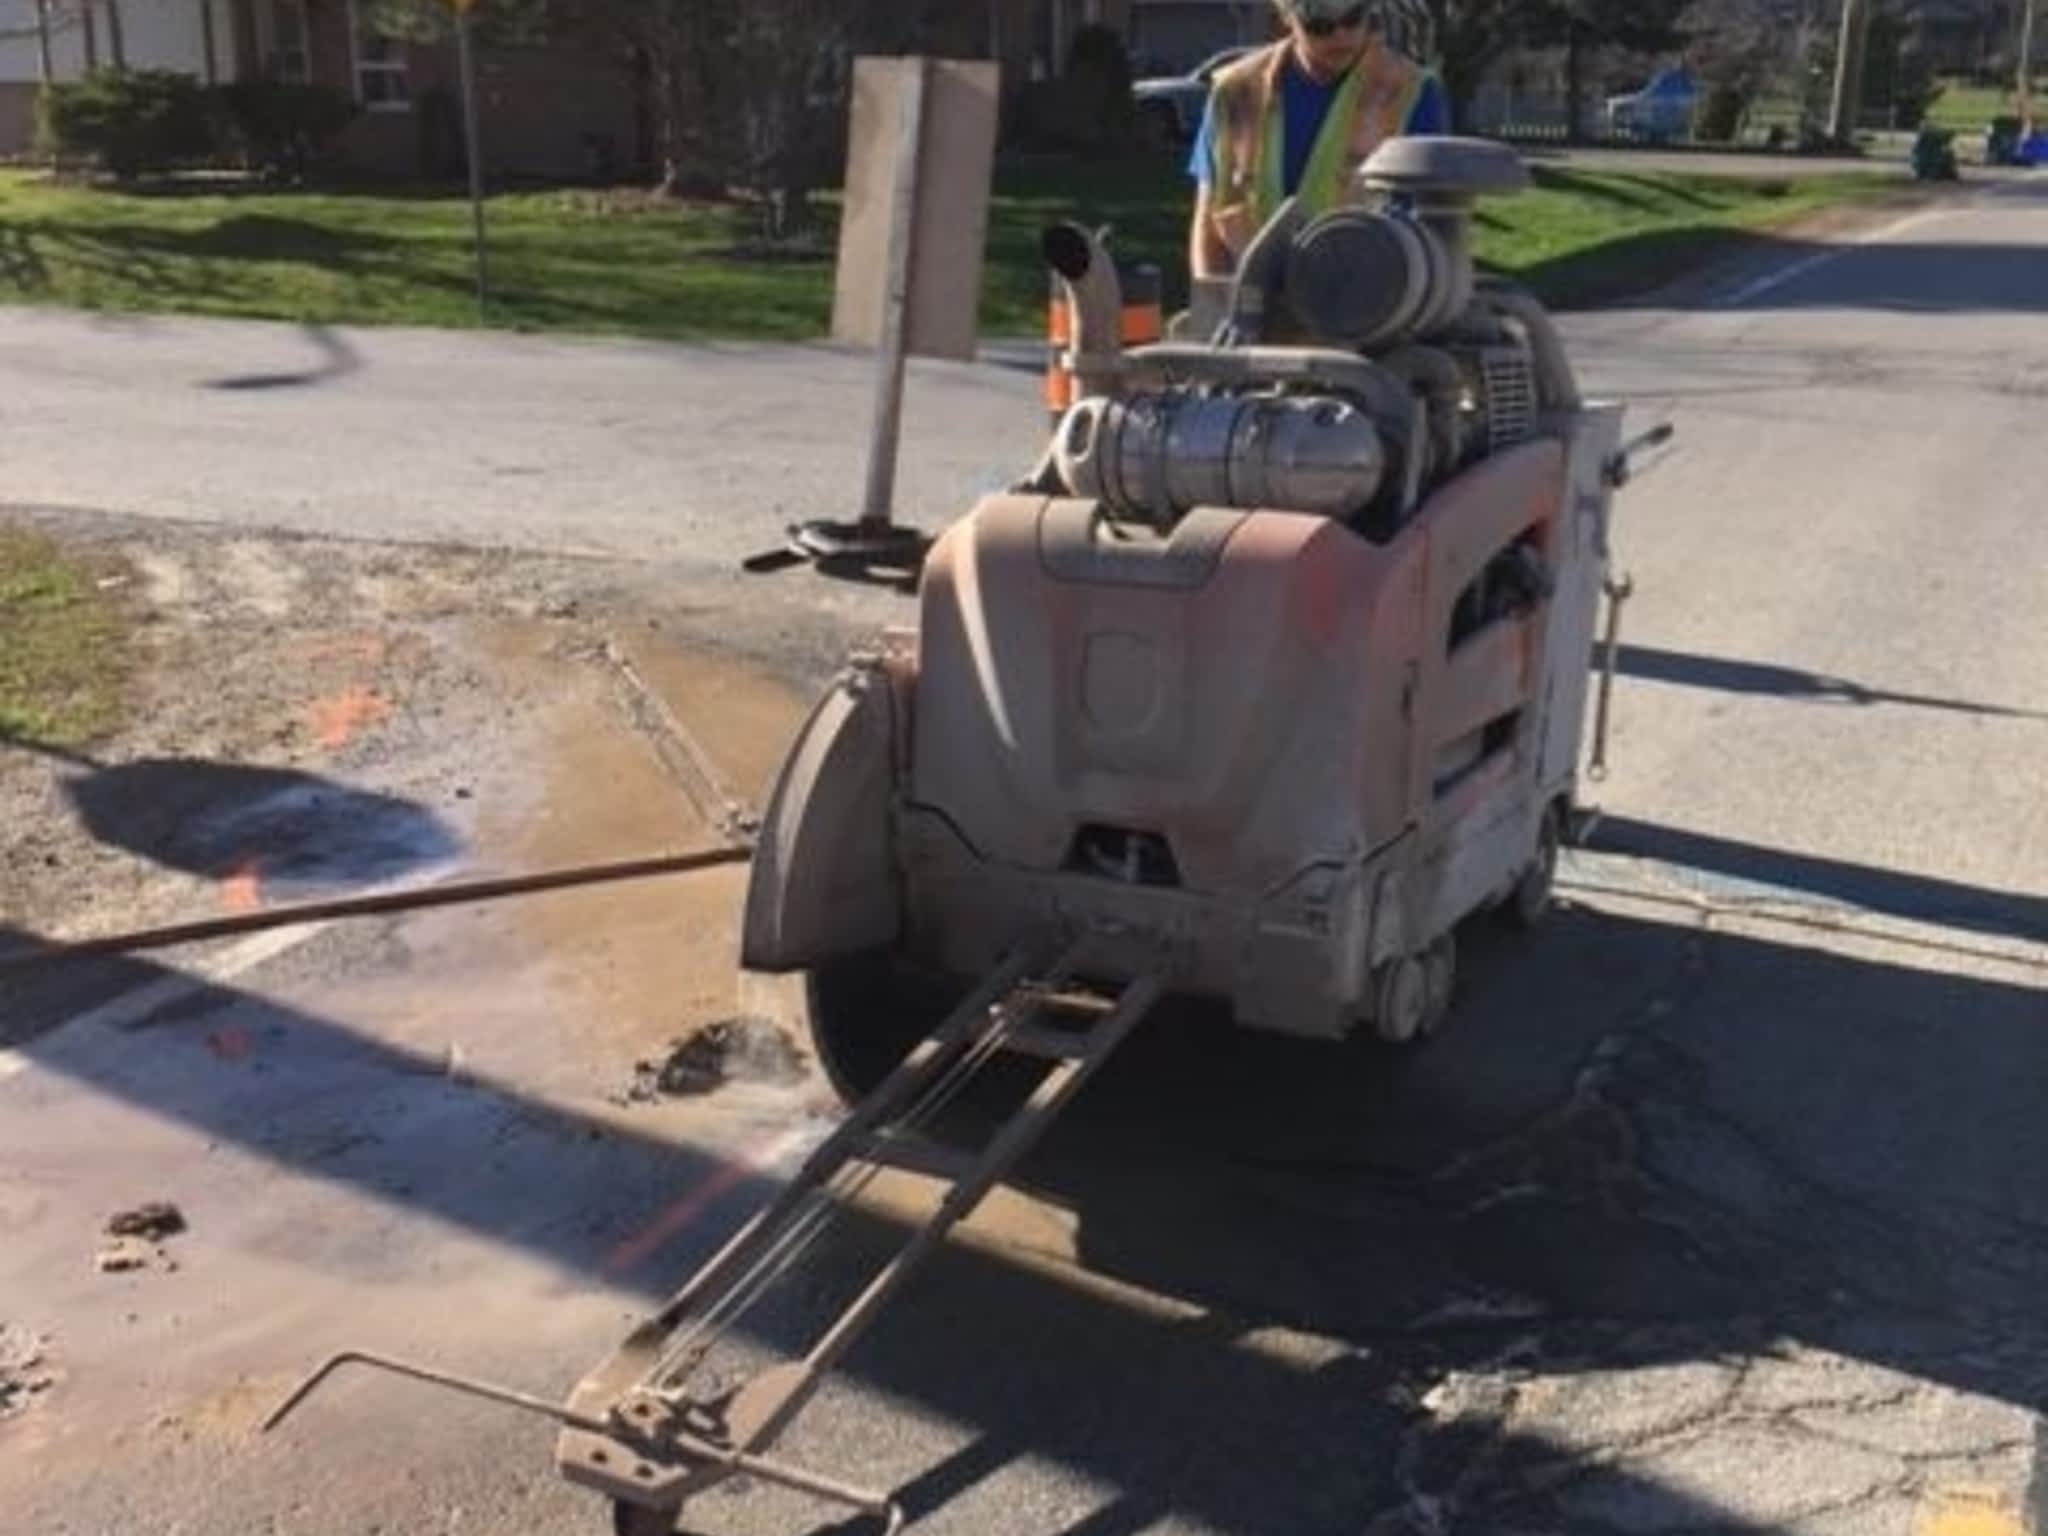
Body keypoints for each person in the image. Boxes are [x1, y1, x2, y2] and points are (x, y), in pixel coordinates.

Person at [1186, 0, 1450, 278]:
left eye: (1353, 18)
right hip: (1251, 300)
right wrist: (1213, 304)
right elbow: (1209, 217)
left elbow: (1433, 225)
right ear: (1287, 17)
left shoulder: (1411, 91)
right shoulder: (1236, 91)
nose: (1341, 35)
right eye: (1320, 25)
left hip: (1367, 301)